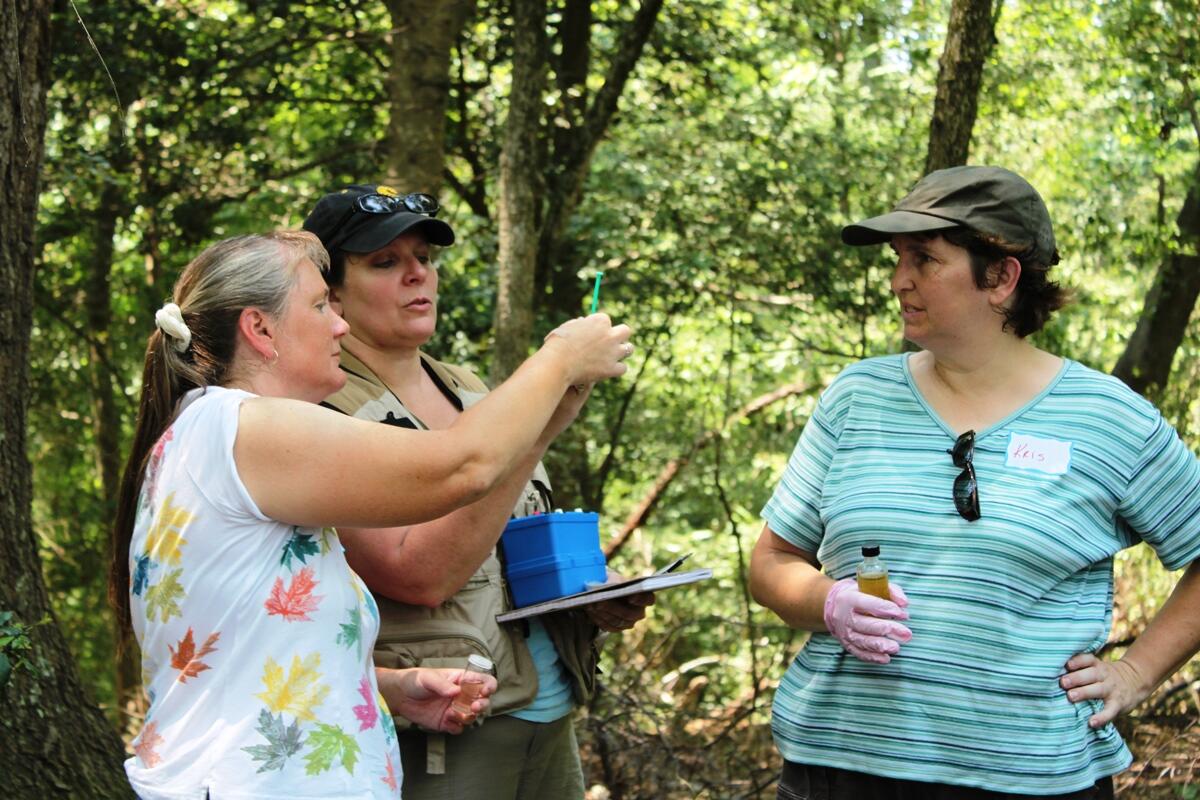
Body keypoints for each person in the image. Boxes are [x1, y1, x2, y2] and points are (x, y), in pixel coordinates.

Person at [109, 229, 633, 799]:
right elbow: (461, 467)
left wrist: (382, 684)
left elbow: (244, 649)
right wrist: (560, 356)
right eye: (318, 306)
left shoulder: (210, 430)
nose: (339, 324)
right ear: (259, 330)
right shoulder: (246, 426)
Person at [749, 165, 1200, 800]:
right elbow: (771, 560)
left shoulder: (1108, 418)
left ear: (1002, 277)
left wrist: (1135, 674)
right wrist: (826, 602)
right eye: (898, 258)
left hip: (1030, 775)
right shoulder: (857, 397)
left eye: (925, 259)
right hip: (837, 767)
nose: (899, 279)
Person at [301, 184, 653, 800]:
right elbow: (419, 574)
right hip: (440, 725)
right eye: (385, 262)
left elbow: (502, 540)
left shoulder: (466, 386)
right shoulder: (320, 406)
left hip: (546, 705)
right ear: (329, 293)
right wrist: (548, 392)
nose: (417, 275)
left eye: (425, 259)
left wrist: (586, 597)